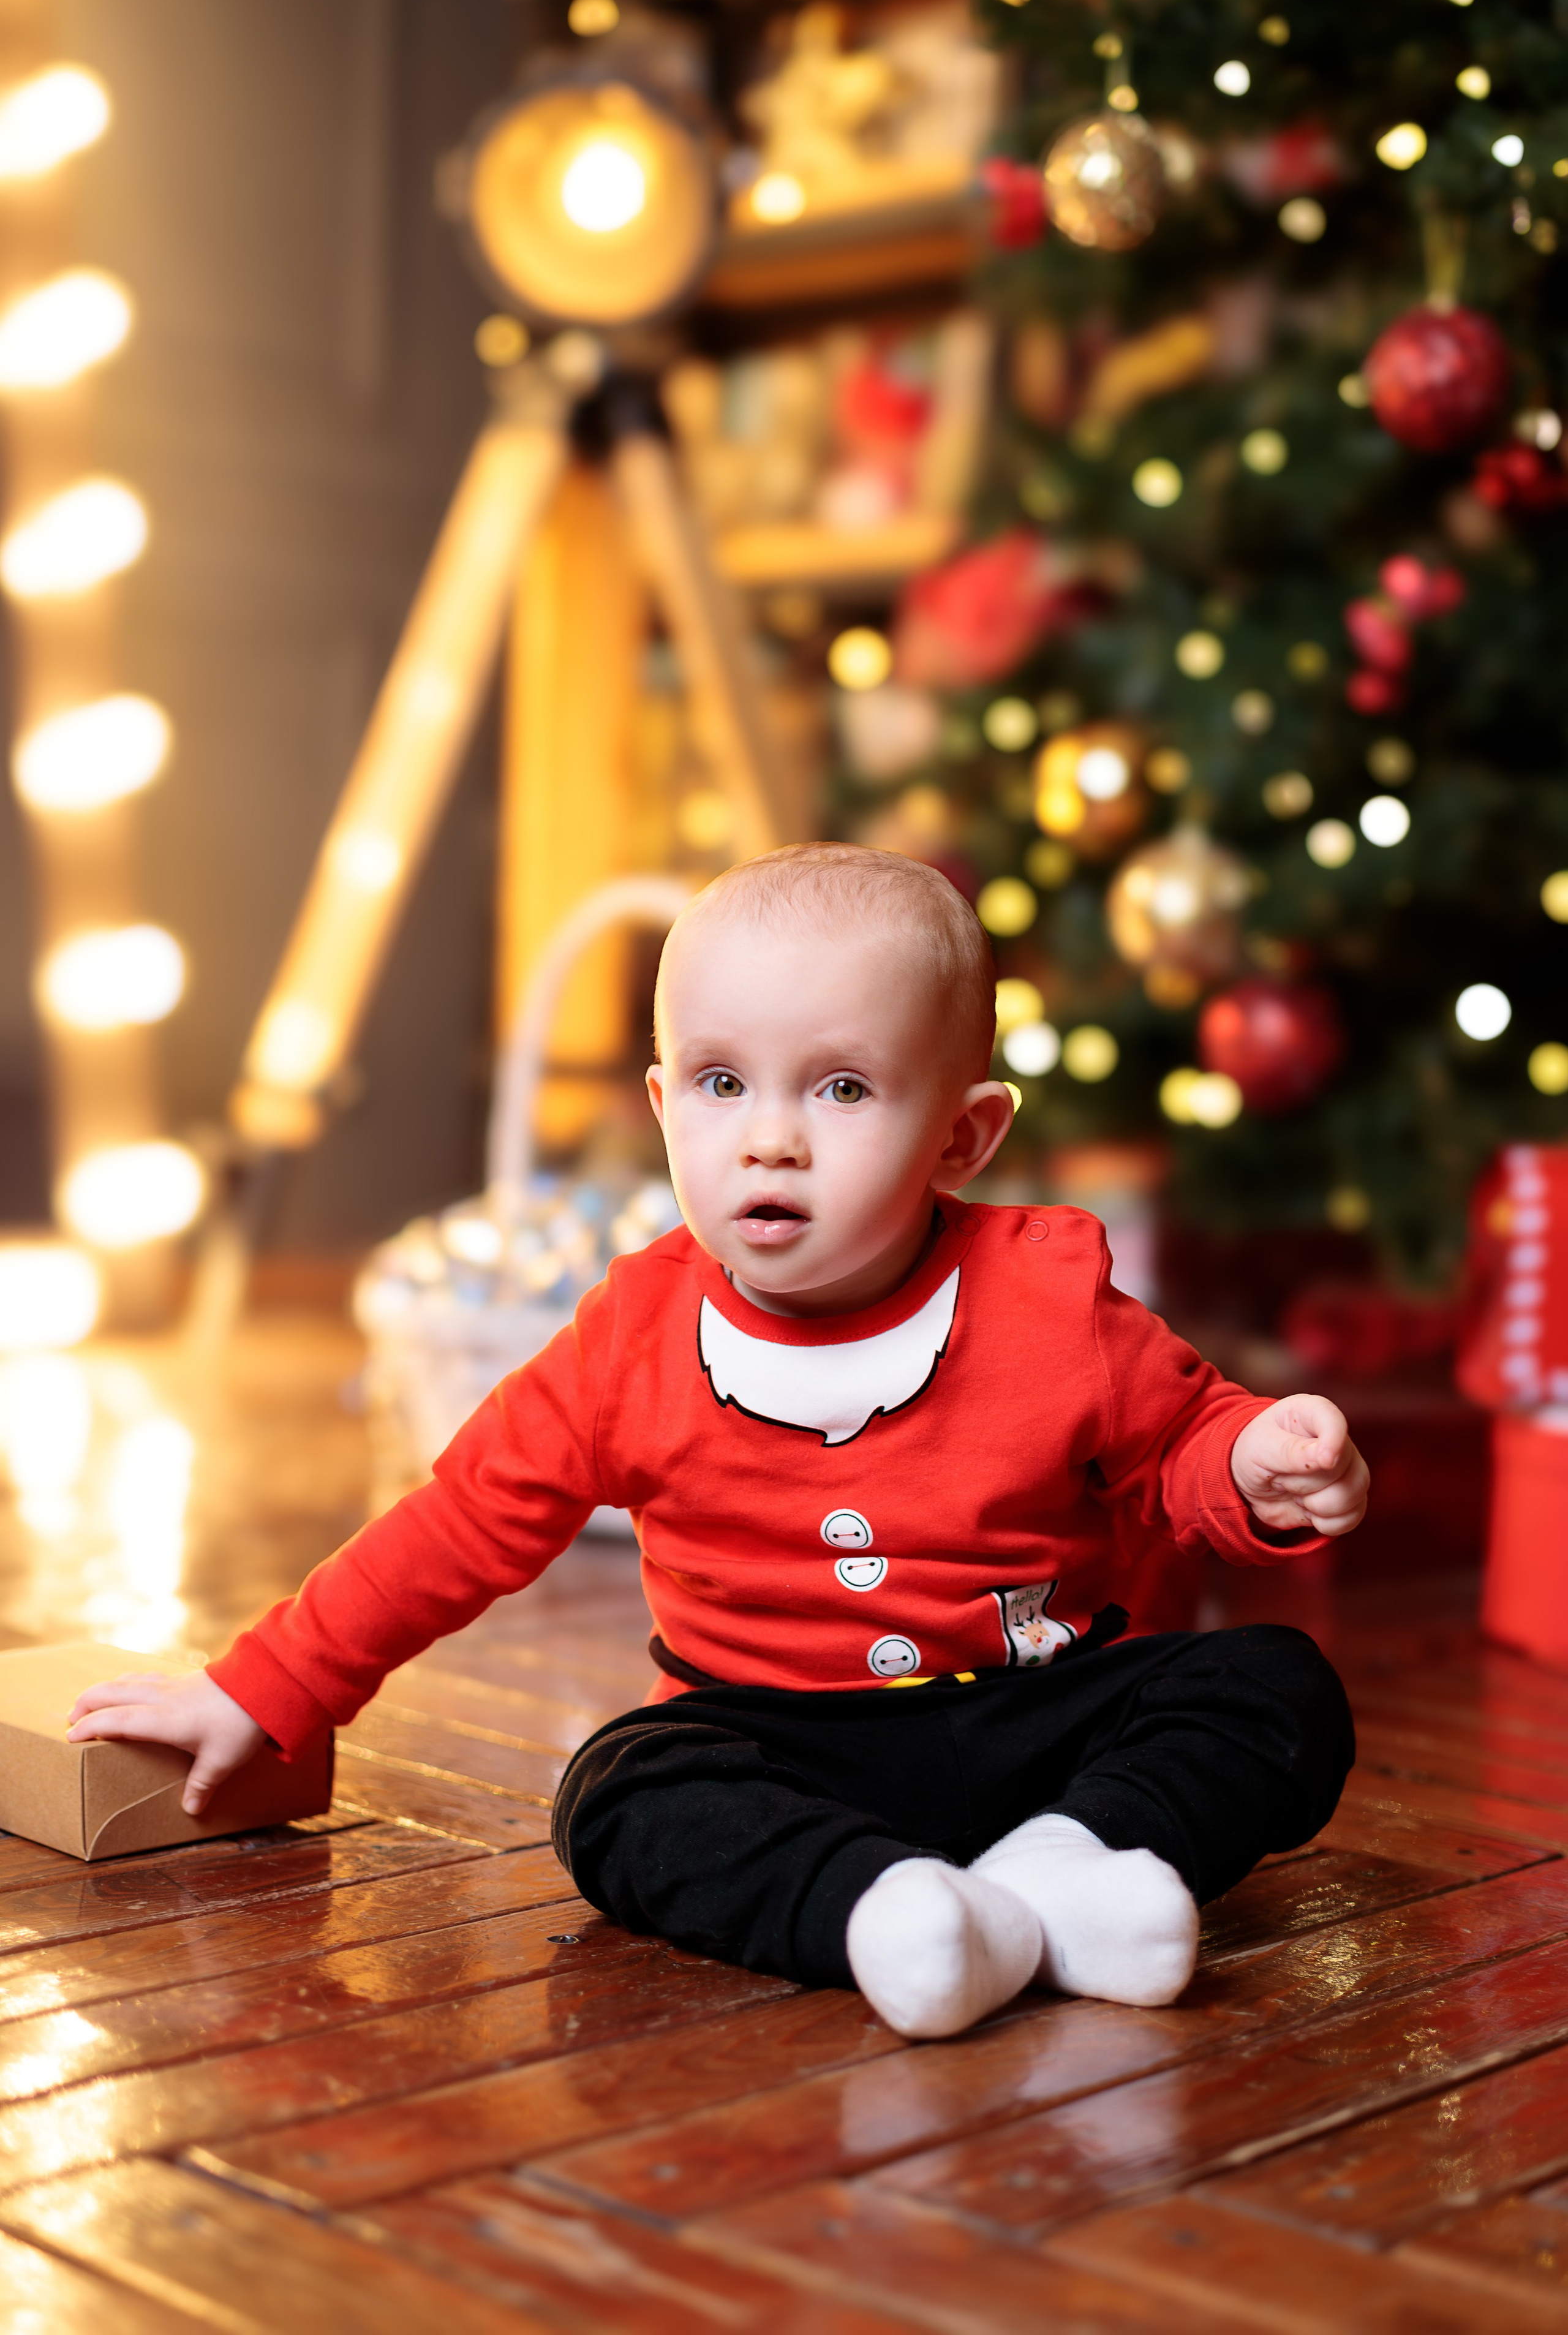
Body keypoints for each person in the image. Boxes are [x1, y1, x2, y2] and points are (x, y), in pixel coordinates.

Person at [68, 845, 1365, 2039]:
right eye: (720, 1081)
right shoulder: (628, 1341)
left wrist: (1254, 1461)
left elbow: (1181, 1440)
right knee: (618, 1792)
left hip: (1036, 1720)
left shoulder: (1045, 1298)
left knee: (1270, 1688)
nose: (769, 1137)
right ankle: (884, 1915)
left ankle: (1065, 1871)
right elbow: (455, 1525)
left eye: (842, 1087)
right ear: (663, 1098)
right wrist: (264, 1690)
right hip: (773, 1741)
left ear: (961, 1138)